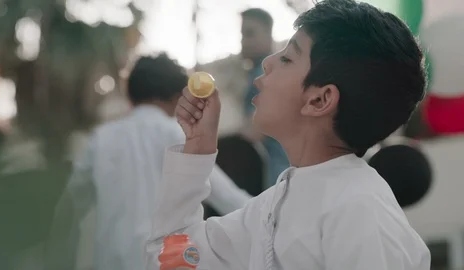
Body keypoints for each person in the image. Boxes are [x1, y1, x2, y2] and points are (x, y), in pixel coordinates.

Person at [145, 0, 430, 269]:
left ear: (319, 100)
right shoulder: (275, 205)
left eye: (287, 58)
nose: (268, 62)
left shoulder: (361, 213)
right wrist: (197, 148)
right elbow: (171, 258)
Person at [45, 54, 251, 270]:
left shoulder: (101, 139)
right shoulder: (180, 135)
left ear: (130, 96)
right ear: (176, 98)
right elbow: (228, 198)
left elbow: (69, 210)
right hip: (165, 263)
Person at [201, 8, 288, 189]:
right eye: (242, 35)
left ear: (268, 33)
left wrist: (206, 142)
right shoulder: (254, 74)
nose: (243, 41)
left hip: (275, 176)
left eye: (249, 34)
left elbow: (255, 130)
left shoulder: (269, 74)